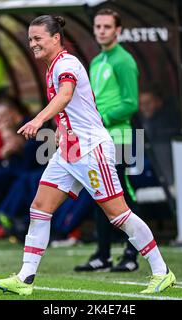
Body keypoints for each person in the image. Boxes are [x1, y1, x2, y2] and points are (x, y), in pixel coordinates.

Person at [0, 15, 175, 295]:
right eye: (30, 39)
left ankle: (161, 271)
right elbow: (67, 108)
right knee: (39, 208)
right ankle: (25, 278)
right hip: (69, 151)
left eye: (37, 38)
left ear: (55, 38)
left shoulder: (67, 64)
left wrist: (38, 120)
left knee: (118, 215)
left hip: (91, 148)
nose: (32, 44)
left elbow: (64, 96)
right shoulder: (53, 66)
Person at [74, 8, 140, 273]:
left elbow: (130, 103)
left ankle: (131, 254)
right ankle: (102, 255)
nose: (101, 30)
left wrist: (101, 117)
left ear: (118, 30)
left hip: (119, 138)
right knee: (99, 195)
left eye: (107, 26)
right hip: (96, 140)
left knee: (122, 195)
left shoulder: (123, 61)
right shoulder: (97, 61)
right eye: (98, 26)